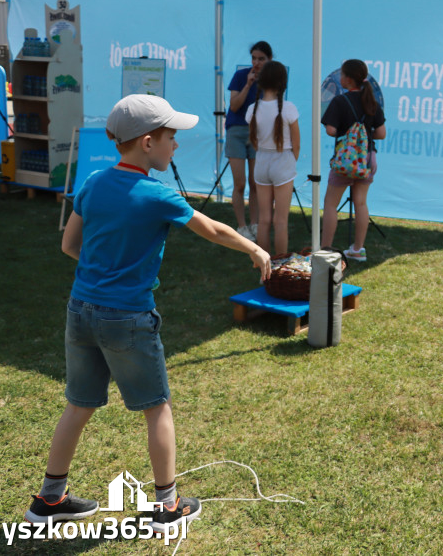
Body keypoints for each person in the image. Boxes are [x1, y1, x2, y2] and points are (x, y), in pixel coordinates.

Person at [26, 94, 272, 533]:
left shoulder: (94, 183)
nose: (175, 146)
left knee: (78, 405)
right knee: (157, 408)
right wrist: (253, 246)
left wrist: (103, 272)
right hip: (128, 319)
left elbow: (69, 245)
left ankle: (49, 498)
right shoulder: (157, 195)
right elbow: (211, 228)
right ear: (146, 142)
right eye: (171, 138)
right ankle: (167, 507)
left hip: (81, 310)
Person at [321, 59, 386, 261]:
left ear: (347, 79)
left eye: (341, 75)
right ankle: (357, 250)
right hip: (367, 158)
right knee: (361, 203)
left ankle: (326, 249)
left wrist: (347, 135)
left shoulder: (339, 101)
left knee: (331, 204)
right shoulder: (372, 103)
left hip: (345, 161)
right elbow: (381, 133)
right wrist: (363, 136)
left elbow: (331, 130)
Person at [246, 61, 299, 255]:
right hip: (283, 160)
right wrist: (291, 162)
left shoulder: (252, 109)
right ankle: (280, 266)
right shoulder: (289, 108)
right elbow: (297, 143)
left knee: (264, 219)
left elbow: (255, 140)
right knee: (281, 220)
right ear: (282, 83)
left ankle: (265, 269)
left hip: (261, 161)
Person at [226, 41, 273, 240]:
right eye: (254, 58)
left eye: (261, 59)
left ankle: (254, 224)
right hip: (236, 132)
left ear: (269, 60)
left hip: (257, 134)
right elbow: (234, 106)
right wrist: (248, 84)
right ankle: (241, 225)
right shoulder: (240, 76)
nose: (256, 62)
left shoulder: (271, 81)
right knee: (240, 183)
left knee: (256, 182)